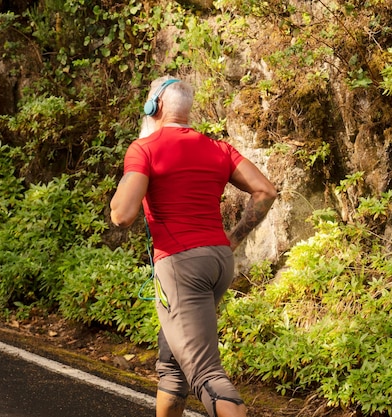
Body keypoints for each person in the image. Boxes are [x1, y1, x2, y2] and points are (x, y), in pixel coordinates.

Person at [110, 76, 277, 417]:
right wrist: (235, 237)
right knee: (172, 363)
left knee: (206, 373)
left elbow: (122, 216)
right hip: (218, 261)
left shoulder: (144, 148)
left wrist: (125, 187)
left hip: (180, 266)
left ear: (152, 107)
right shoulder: (218, 148)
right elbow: (266, 191)